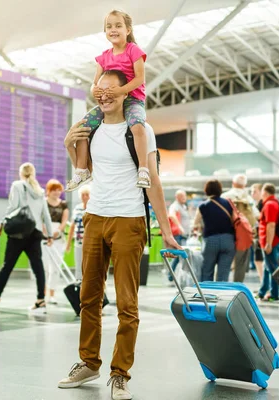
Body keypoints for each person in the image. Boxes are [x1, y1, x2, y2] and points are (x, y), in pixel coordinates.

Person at [58, 69, 179, 400]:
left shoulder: (140, 130)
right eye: (101, 89)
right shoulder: (92, 128)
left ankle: (120, 373)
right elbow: (90, 172)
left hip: (129, 219)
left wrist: (166, 230)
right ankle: (88, 362)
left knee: (127, 302)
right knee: (89, 297)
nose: (106, 95)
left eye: (113, 89)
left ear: (126, 92)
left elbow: (152, 178)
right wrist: (71, 145)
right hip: (95, 215)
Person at [66, 9, 150, 193]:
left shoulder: (133, 51)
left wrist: (121, 90)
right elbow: (94, 83)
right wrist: (94, 90)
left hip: (132, 99)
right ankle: (82, 170)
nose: (113, 29)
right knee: (83, 128)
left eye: (118, 26)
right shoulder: (104, 56)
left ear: (128, 30)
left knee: (137, 126)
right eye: (109, 26)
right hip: (109, 102)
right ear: (105, 31)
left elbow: (139, 79)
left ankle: (143, 169)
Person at [0, 163, 54, 312]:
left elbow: (12, 207)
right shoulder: (39, 190)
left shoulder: (17, 185)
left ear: (21, 173)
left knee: (7, 266)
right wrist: (49, 234)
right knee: (38, 268)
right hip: (35, 232)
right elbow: (46, 215)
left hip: (19, 233)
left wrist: (2, 224)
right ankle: (40, 300)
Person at [192, 179, 236, 282]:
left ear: (206, 190)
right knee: (223, 274)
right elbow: (234, 221)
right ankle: (220, 296)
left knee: (207, 271)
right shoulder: (229, 204)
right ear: (220, 190)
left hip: (210, 241)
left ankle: (207, 295)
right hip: (228, 240)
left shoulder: (203, 206)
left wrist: (199, 228)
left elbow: (195, 224)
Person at [223, 174, 256, 282]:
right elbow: (255, 216)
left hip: (227, 233)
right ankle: (237, 287)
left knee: (224, 261)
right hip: (244, 235)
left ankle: (221, 286)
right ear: (245, 185)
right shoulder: (248, 198)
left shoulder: (225, 196)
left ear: (233, 183)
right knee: (241, 263)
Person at [42, 179, 69, 304]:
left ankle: (52, 294)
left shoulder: (63, 204)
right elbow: (40, 218)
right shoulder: (43, 203)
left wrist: (57, 231)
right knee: (44, 267)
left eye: (59, 190)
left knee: (55, 268)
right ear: (48, 191)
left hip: (58, 238)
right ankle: (42, 294)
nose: (57, 193)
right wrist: (46, 234)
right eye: (54, 190)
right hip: (44, 238)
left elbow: (64, 220)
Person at [257, 183, 279, 303]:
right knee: (267, 267)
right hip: (272, 241)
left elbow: (271, 225)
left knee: (273, 268)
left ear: (265, 192)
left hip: (271, 242)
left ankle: (274, 294)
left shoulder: (270, 205)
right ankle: (262, 291)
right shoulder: (274, 203)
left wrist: (268, 243)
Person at [66, 185, 91, 281]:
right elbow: (72, 226)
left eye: (87, 195)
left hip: (90, 242)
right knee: (78, 264)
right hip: (78, 241)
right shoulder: (77, 208)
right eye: (83, 195)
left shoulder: (92, 208)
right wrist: (68, 243)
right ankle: (79, 284)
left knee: (89, 264)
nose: (84, 197)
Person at [167, 189, 191, 282]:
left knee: (180, 255)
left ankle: (173, 275)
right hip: (178, 234)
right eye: (182, 196)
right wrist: (180, 227)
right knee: (178, 255)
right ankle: (170, 275)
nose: (184, 198)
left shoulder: (183, 206)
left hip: (184, 235)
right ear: (177, 197)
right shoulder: (175, 206)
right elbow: (172, 215)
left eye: (184, 196)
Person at [250, 183, 264, 283]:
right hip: (258, 236)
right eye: (251, 191)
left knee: (259, 260)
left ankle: (264, 283)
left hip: (261, 236)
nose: (252, 194)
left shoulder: (261, 205)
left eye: (255, 191)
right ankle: (263, 283)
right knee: (258, 260)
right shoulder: (256, 205)